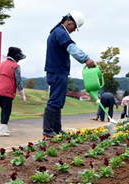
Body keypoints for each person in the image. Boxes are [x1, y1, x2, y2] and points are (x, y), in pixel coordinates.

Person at [42, 10, 96, 138]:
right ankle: (48, 130)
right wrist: (86, 58)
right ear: (68, 20)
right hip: (57, 71)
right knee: (55, 100)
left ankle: (56, 128)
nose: (74, 29)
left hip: (58, 71)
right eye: (74, 26)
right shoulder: (60, 32)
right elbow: (71, 47)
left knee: (59, 100)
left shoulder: (57, 32)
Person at [0, 47, 26, 137]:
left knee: (4, 110)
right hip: (7, 91)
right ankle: (2, 131)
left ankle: (4, 128)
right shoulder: (16, 66)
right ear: (16, 57)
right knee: (6, 111)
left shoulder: (1, 64)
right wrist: (22, 94)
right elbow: (19, 81)